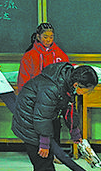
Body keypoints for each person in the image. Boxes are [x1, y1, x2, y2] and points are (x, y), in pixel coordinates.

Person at [12, 63, 98, 171]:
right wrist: (44, 142)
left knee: (45, 155)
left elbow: (69, 109)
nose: (87, 93)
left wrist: (75, 133)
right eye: (87, 90)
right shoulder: (51, 88)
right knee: (43, 156)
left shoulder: (67, 85)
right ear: (77, 84)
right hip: (29, 120)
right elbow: (42, 115)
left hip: (44, 118)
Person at [18, 23, 70, 160]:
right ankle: (40, 152)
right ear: (38, 37)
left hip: (54, 97)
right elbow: (23, 79)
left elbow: (66, 75)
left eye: (51, 37)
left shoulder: (60, 55)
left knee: (55, 125)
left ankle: (56, 153)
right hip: (36, 97)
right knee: (39, 125)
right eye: (45, 37)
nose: (48, 40)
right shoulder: (29, 56)